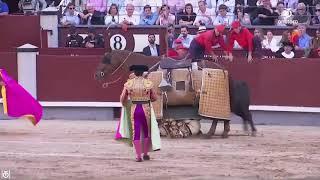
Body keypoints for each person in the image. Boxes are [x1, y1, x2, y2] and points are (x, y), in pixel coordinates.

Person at [116, 65, 161, 162]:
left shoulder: (129, 84)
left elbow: (122, 98)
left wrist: (125, 105)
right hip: (146, 109)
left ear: (134, 73)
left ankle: (138, 156)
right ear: (143, 73)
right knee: (146, 131)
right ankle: (145, 154)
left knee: (136, 132)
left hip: (135, 109)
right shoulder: (148, 83)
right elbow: (155, 98)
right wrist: (148, 99)